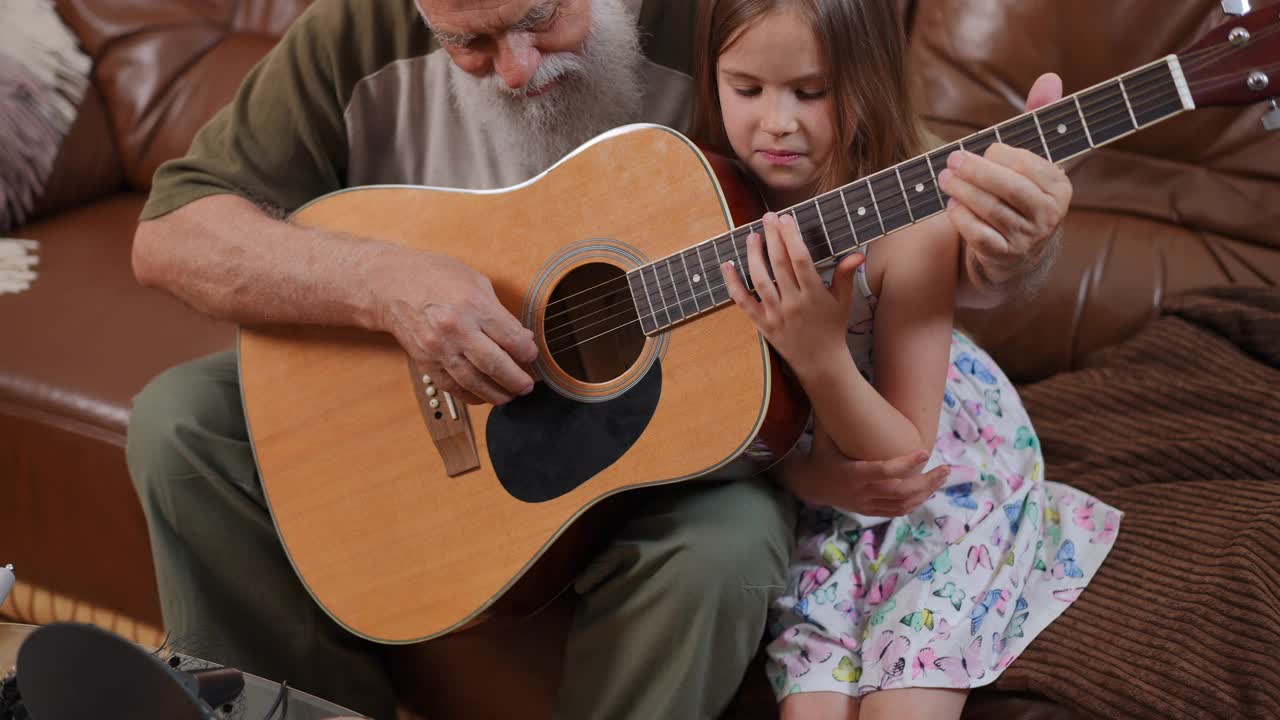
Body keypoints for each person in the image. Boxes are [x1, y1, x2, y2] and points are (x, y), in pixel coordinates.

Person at [125, 0, 1077, 717]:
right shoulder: (357, 29)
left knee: (728, 553)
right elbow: (173, 234)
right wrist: (383, 284)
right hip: (416, 387)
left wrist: (1006, 246)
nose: (516, 68)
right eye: (469, 41)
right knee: (183, 423)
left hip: (686, 416)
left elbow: (873, 167)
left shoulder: (721, 20)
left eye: (542, 17)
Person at [689, 1, 1121, 718]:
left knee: (906, 703)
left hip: (929, 481)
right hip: (811, 488)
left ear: (868, 82)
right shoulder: (696, 209)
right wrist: (806, 474)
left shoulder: (911, 225)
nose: (776, 122)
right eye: (747, 89)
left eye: (810, 91)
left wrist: (821, 353)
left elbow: (906, 462)